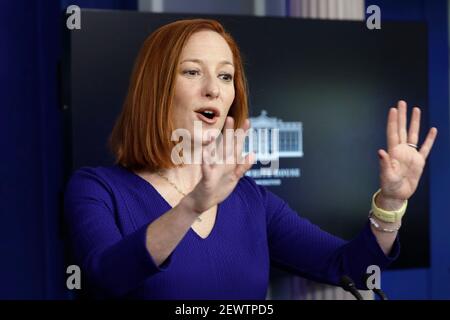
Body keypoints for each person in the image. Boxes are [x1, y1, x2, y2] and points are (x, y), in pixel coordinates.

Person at [64, 19, 438, 299]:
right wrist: (192, 206)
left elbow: (349, 267)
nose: (213, 88)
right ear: (156, 89)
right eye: (193, 72)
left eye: (226, 77)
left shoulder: (251, 199)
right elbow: (106, 277)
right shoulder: (97, 189)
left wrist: (391, 202)